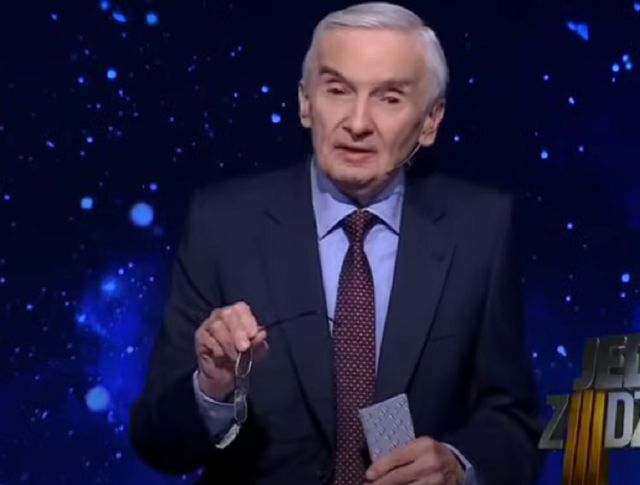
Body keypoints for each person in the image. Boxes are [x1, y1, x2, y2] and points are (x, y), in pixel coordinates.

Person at [129, 2, 543, 484]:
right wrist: (213, 389)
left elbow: (513, 421)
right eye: (338, 90)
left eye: (389, 98)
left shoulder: (481, 228)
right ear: (305, 103)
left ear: (430, 120)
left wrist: (459, 465)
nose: (358, 122)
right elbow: (156, 440)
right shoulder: (223, 224)